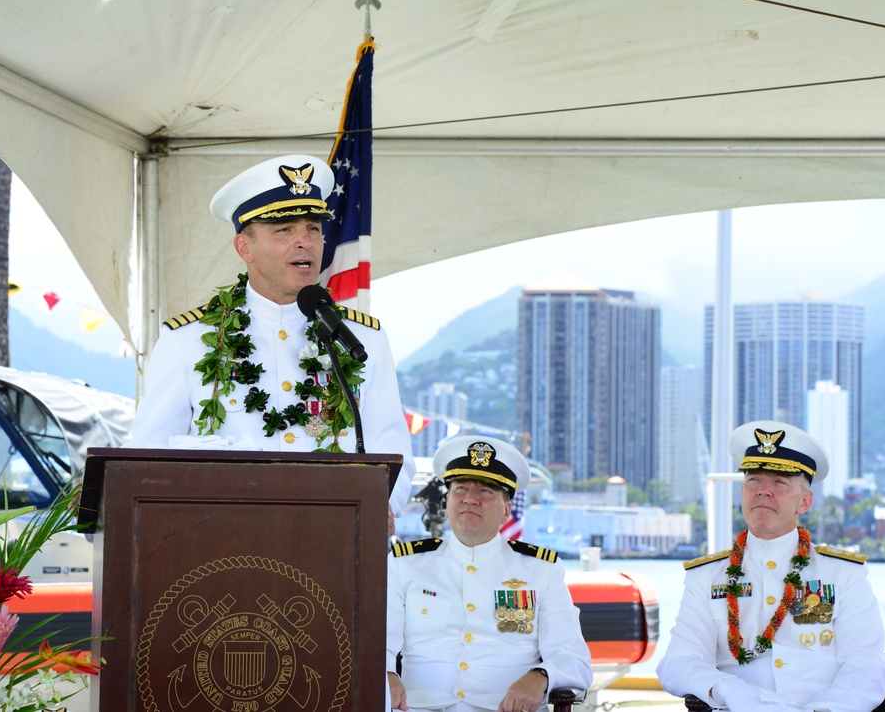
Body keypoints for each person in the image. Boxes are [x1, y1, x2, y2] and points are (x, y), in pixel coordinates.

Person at [127, 154, 415, 520]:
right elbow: (148, 454)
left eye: (313, 228)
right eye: (285, 231)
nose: (305, 242)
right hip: (223, 543)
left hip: (333, 538)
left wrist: (385, 506)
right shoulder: (188, 340)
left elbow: (391, 444)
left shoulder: (361, 338)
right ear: (244, 248)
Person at [657, 421, 885, 712]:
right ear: (742, 491)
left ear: (805, 502)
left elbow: (867, 666)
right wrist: (729, 690)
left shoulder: (843, 574)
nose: (763, 492)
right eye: (754, 480)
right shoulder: (706, 576)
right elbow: (680, 660)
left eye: (779, 482)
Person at [386, 435, 592, 712]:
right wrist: (386, 674)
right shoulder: (405, 564)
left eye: (485, 491)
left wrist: (541, 676)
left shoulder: (541, 570)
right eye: (460, 488)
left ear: (507, 511)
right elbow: (377, 642)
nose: (470, 498)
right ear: (447, 504)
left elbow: (574, 659)